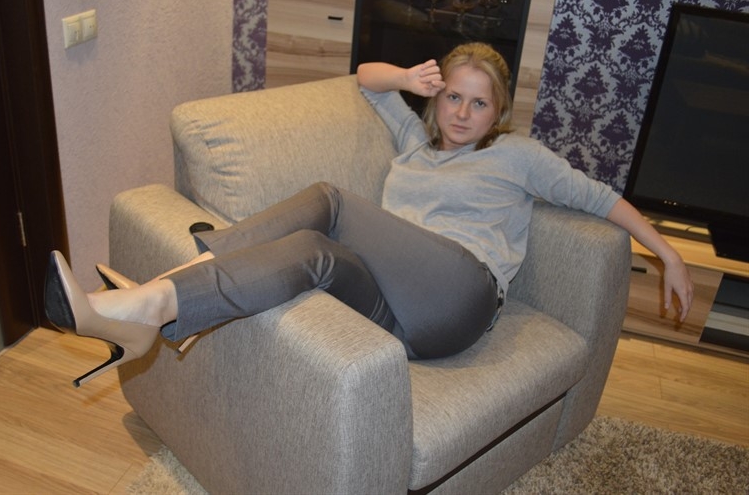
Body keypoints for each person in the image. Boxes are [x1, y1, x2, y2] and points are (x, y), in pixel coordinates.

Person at [44, 42, 694, 387]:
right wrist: (408, 79)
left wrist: (667, 253)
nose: (463, 113)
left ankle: (175, 278)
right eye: (454, 97)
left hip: (462, 296)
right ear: (437, 99)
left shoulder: (517, 156)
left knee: (329, 201)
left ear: (499, 114)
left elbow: (597, 196)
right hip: (402, 327)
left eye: (480, 104)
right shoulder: (412, 145)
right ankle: (158, 311)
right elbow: (364, 76)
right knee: (311, 251)